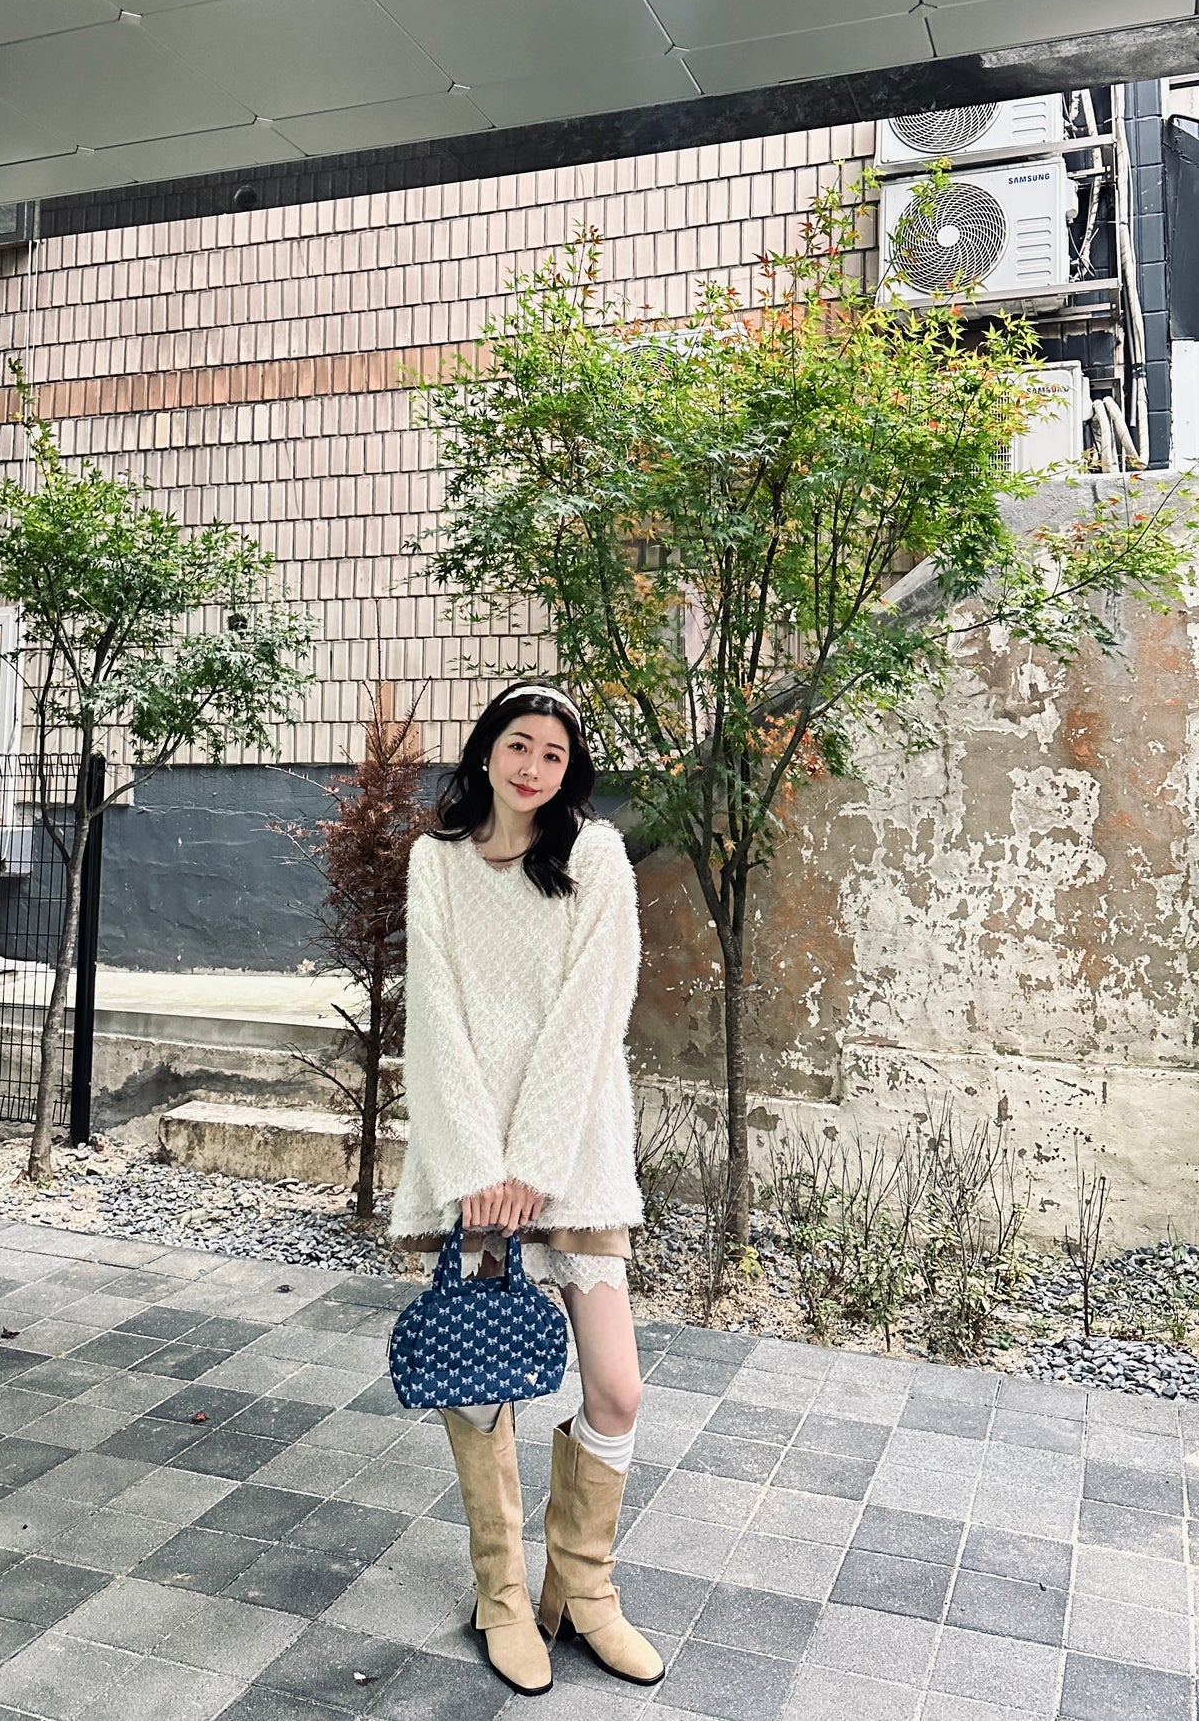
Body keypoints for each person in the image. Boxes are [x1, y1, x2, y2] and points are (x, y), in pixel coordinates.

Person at [389, 678, 663, 1697]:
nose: (531, 766)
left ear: (567, 770)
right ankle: (504, 1595)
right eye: (517, 745)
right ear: (486, 751)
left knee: (617, 1386)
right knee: (480, 1381)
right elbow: (436, 1020)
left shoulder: (593, 859)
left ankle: (580, 1592)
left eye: (551, 753)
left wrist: (534, 1166)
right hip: (471, 1166)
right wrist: (477, 1170)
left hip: (573, 1155)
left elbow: (595, 1014)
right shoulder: (436, 863)